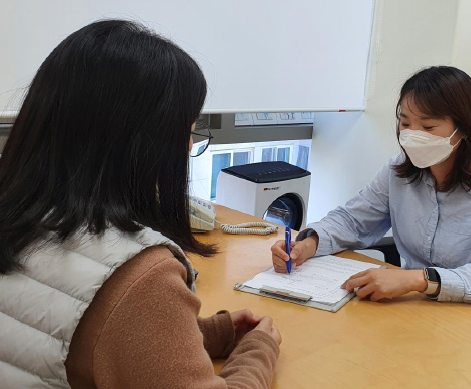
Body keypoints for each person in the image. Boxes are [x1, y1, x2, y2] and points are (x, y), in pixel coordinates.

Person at [0, 20, 281, 389]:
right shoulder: (141, 276)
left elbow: (54, 329)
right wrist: (258, 352)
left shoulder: (22, 218)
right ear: (145, 144)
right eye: (188, 131)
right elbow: (119, 311)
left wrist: (202, 334)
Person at [272, 66, 471, 307]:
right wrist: (308, 245)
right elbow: (353, 220)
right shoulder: (398, 171)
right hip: (413, 308)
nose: (412, 135)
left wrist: (418, 279)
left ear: (464, 129)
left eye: (428, 126)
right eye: (405, 123)